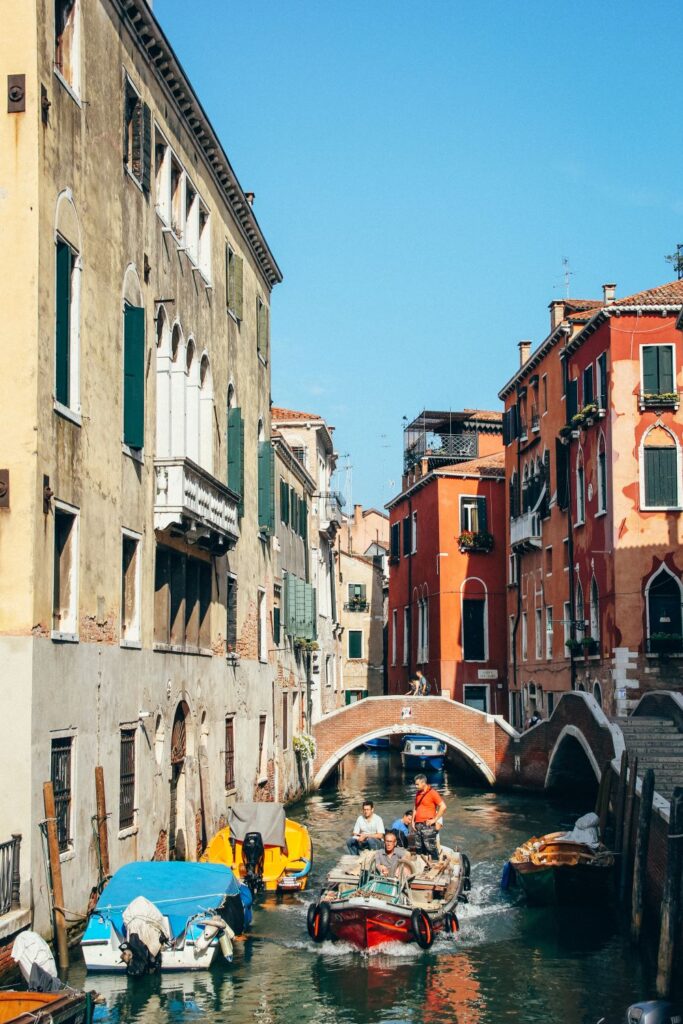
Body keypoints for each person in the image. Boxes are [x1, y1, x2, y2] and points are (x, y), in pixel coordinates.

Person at [413, 774, 446, 861]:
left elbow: (443, 806)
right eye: (415, 784)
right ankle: (421, 865)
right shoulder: (418, 793)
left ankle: (435, 863)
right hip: (418, 824)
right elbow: (415, 808)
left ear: (423, 783)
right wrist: (413, 821)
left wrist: (434, 820)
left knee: (430, 847)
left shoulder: (432, 793)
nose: (416, 786)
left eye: (417, 784)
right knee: (419, 846)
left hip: (427, 824)